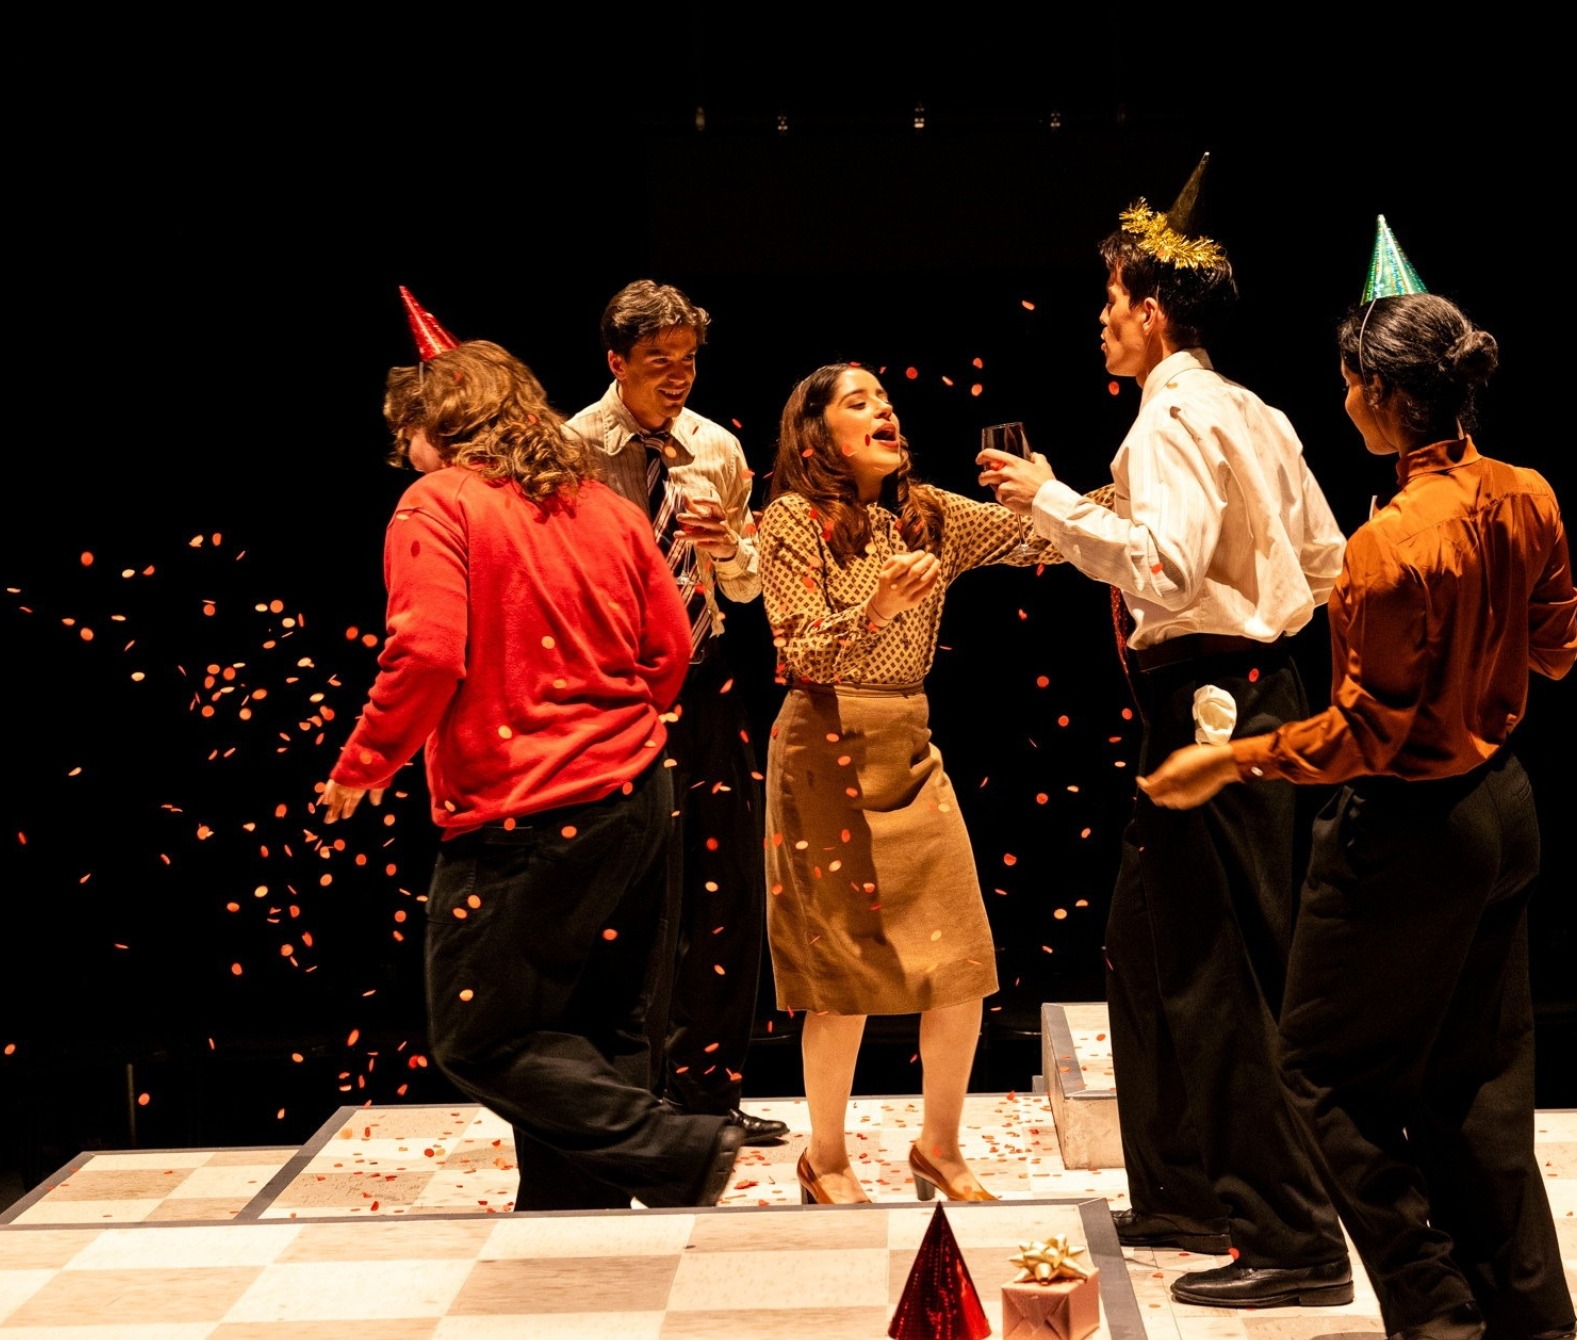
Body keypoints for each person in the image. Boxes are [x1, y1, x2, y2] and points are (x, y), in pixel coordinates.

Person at [1139, 254, 1577, 1340]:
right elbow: (1558, 650)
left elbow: (1364, 735)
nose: (1342, 401)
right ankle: (1528, 1316)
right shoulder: (1526, 490)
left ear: (1382, 394)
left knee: (1317, 1075)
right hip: (1505, 807)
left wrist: (1230, 760)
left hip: (1411, 826)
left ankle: (1435, 1311)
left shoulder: (1389, 544)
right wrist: (1482, 663)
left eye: (1348, 383)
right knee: (1477, 1081)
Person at [979, 158, 1354, 1309]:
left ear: (1150, 311)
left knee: (1216, 967)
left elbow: (1166, 566)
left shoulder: (1170, 422)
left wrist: (1052, 501)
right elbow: (1327, 560)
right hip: (1254, 686)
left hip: (1210, 700)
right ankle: (1186, 1186)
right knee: (1143, 948)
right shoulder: (1254, 409)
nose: (1098, 321)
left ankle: (1291, 1235)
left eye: (1109, 302)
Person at [316, 311, 743, 1213]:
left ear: (439, 425)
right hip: (637, 793)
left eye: (408, 436)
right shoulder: (608, 507)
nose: (405, 458)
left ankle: (680, 1149)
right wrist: (613, 723)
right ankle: (575, 1230)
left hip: (528, 806)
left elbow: (427, 652)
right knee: (601, 1025)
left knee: (480, 1036)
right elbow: (671, 645)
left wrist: (365, 762)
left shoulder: (439, 502)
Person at [760, 362, 1055, 1206]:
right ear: (817, 434)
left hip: (909, 745)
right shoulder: (791, 519)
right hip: (824, 749)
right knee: (843, 975)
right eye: (859, 403)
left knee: (960, 963)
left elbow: (1043, 540)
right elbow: (800, 648)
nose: (883, 410)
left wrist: (1060, 494)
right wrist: (876, 610)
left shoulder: (926, 514)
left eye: (884, 400)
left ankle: (940, 1149)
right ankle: (825, 1159)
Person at [566, 279, 788, 1148]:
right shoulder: (572, 450)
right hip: (614, 684)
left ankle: (708, 1094)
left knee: (723, 886)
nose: (678, 376)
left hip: (706, 677)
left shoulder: (716, 448)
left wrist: (727, 549)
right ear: (616, 361)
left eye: (688, 360)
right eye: (659, 360)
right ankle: (629, 1093)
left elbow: (748, 591)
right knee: (632, 894)